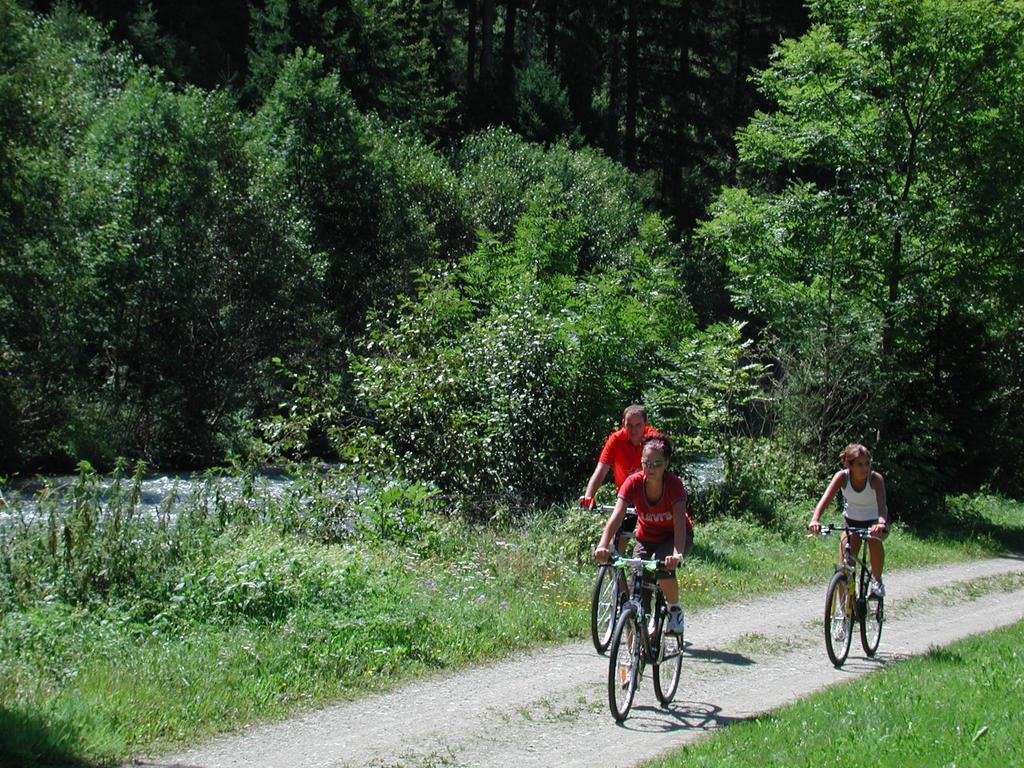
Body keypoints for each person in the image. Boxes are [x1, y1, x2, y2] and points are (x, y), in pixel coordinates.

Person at [593, 434, 690, 634]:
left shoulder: (673, 485)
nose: (651, 468)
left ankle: (674, 609)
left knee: (662, 566)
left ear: (666, 464)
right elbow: (617, 516)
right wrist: (604, 545)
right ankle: (633, 654)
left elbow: (680, 522)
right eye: (646, 463)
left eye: (657, 463)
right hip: (647, 538)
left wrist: (677, 553)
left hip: (674, 538)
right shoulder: (633, 482)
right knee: (638, 589)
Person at [807, 443, 890, 597]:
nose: (865, 468)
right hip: (852, 522)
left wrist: (881, 523)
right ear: (849, 464)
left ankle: (877, 580)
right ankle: (844, 614)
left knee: (874, 539)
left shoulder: (875, 479)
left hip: (875, 521)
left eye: (867, 463)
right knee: (844, 566)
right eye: (860, 464)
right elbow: (825, 500)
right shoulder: (842, 477)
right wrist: (815, 520)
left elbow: (882, 506)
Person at [579, 404, 661, 548]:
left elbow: (661, 472)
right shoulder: (616, 440)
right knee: (617, 536)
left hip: (650, 495)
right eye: (629, 425)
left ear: (646, 424)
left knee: (651, 541)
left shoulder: (654, 441)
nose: (633, 430)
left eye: (638, 425)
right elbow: (601, 470)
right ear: (623, 423)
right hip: (628, 494)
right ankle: (615, 564)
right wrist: (588, 496)